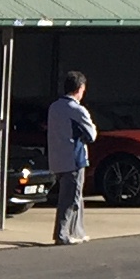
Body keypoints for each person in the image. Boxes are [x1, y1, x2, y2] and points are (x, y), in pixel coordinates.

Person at [46, 70, 97, 246]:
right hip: (73, 159)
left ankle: (77, 230)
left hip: (57, 157)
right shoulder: (77, 109)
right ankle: (62, 234)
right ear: (80, 88)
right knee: (71, 198)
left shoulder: (54, 107)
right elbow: (91, 134)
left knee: (73, 195)